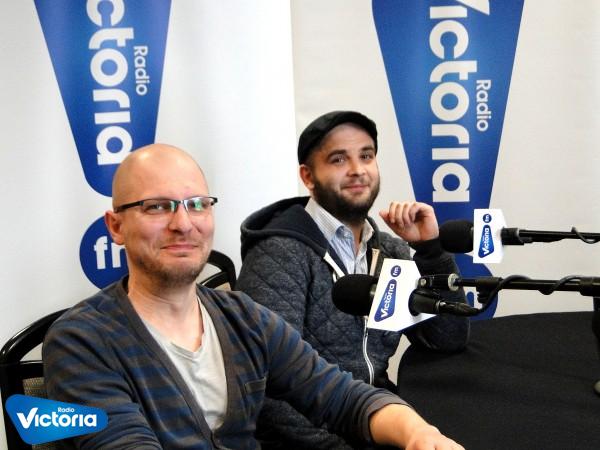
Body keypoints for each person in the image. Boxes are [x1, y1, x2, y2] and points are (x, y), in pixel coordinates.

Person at [42, 144, 463, 449]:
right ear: (116, 227)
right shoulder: (81, 340)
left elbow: (339, 396)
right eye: (157, 207)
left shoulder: (242, 317)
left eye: (197, 204)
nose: (183, 224)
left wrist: (419, 433)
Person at [236, 111, 471, 448]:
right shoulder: (278, 253)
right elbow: (268, 387)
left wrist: (430, 250)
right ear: (308, 176)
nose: (357, 169)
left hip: (379, 420)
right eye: (338, 159)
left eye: (366, 156)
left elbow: (447, 340)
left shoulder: (390, 249)